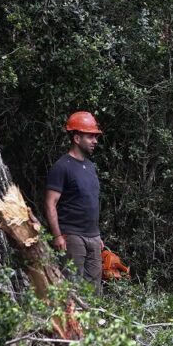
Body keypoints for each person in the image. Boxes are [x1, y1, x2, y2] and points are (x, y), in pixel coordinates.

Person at [44, 111, 104, 294]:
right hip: (72, 237)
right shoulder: (62, 166)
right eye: (90, 136)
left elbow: (91, 202)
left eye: (95, 137)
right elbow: (50, 204)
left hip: (93, 238)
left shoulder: (91, 167)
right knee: (73, 290)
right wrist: (57, 236)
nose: (95, 141)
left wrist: (98, 236)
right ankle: (71, 323)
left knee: (94, 293)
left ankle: (93, 324)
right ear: (77, 138)